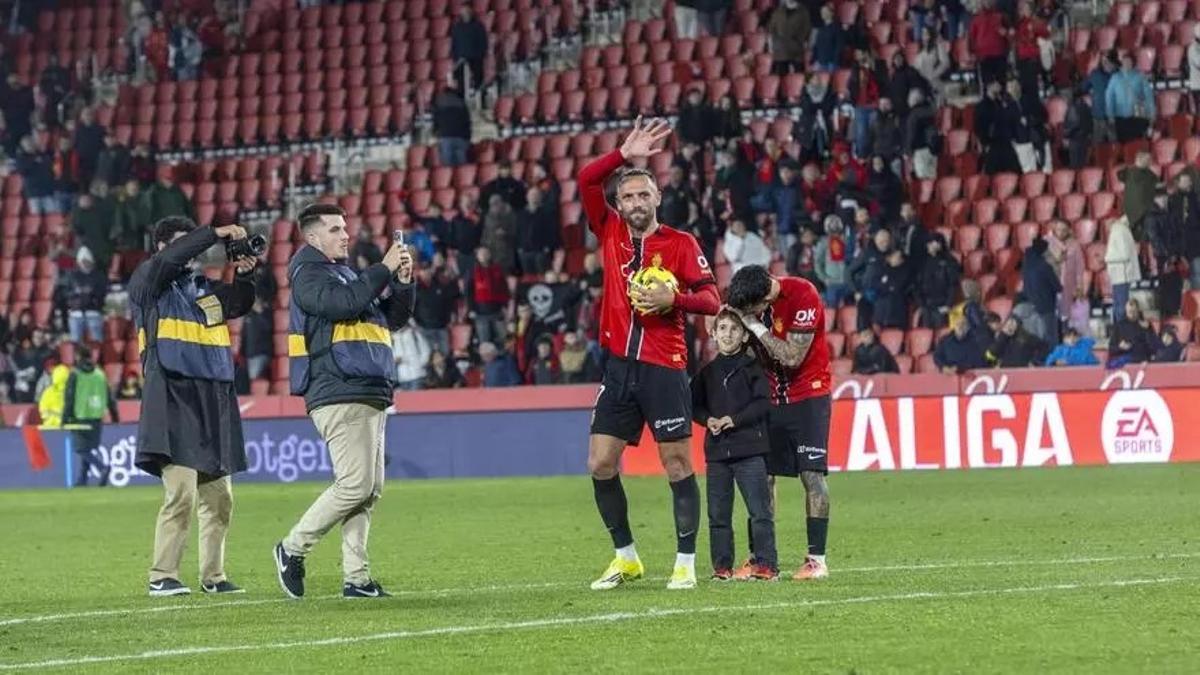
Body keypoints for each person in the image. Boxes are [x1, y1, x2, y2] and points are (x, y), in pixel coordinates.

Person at [577, 117, 720, 591]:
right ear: (617, 205)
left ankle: (684, 562)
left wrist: (672, 300)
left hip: (665, 366)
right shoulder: (610, 231)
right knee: (600, 463)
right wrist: (623, 155)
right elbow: (585, 180)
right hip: (619, 368)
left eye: (644, 195)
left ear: (657, 198)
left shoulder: (680, 244)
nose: (636, 203)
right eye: (628, 197)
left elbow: (713, 301)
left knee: (677, 463)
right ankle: (626, 558)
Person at [274, 203, 415, 600]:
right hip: (338, 387)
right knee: (355, 485)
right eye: (335, 229)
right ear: (313, 237)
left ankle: (357, 578)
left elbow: (390, 319)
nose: (345, 234)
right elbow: (343, 304)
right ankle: (292, 548)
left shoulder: (344, 274)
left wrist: (402, 283)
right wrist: (383, 269)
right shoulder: (308, 274)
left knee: (367, 490)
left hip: (366, 387)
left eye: (344, 227)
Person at [130, 217, 258, 597]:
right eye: (186, 245)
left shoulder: (204, 292)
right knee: (181, 492)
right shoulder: (149, 283)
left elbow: (240, 303)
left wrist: (246, 275)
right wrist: (212, 234)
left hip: (213, 396)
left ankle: (213, 577)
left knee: (220, 498)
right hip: (173, 393)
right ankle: (162, 574)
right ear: (163, 247)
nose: (196, 252)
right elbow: (173, 260)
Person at [726, 264, 833, 581]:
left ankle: (816, 560)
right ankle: (762, 559)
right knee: (761, 477)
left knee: (811, 475)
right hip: (769, 400)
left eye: (752, 310)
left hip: (809, 396)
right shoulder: (752, 303)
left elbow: (791, 357)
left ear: (762, 299)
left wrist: (753, 326)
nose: (750, 315)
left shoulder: (803, 294)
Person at [691, 309, 777, 581]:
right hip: (717, 454)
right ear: (713, 334)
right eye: (723, 329)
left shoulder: (753, 368)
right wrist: (709, 420)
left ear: (743, 336)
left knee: (759, 512)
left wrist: (734, 420)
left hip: (750, 451)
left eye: (734, 329)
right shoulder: (706, 373)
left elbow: (763, 403)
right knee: (718, 515)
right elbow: (694, 407)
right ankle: (722, 568)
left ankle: (766, 566)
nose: (728, 334)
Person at [62, 347, 119, 487]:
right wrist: (115, 415)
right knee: (87, 448)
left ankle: (102, 467)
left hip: (80, 416)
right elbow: (110, 396)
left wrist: (65, 417)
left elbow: (69, 397)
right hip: (96, 417)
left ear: (79, 356)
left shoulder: (75, 374)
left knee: (81, 449)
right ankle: (82, 479)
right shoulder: (100, 374)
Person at [1144, 188, 1184, 317]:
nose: (1164, 200)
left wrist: (1176, 253)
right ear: (1155, 199)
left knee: (1176, 287)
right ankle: (1166, 316)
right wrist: (1168, 255)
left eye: (1165, 197)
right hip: (1163, 258)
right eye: (1161, 197)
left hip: (1174, 256)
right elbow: (1155, 239)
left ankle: (1175, 312)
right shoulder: (1151, 216)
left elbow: (1178, 234)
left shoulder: (1171, 213)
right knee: (1165, 287)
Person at [1105, 52, 1155, 143]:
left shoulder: (1140, 76)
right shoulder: (1115, 78)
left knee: (1140, 145)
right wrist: (1110, 115)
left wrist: (1152, 115)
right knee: (1124, 145)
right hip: (1121, 118)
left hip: (1138, 116)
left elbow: (1148, 97)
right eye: (1125, 62)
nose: (1127, 64)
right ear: (1122, 63)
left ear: (1133, 63)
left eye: (1129, 62)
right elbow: (1109, 97)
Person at [1020, 238, 1061, 344]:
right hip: (1046, 305)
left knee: (1033, 336)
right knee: (1049, 336)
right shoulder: (1044, 266)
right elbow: (1057, 286)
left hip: (1030, 304)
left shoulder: (1026, 264)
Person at [65, 247, 108, 344]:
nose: (84, 263)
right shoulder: (73, 276)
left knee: (97, 342)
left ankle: (97, 358)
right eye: (82, 261)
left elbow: (102, 293)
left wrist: (90, 296)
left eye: (86, 260)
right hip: (76, 313)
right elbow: (68, 293)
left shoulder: (98, 276)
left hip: (93, 312)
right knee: (75, 342)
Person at [1104, 215, 1141, 322]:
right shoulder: (1122, 229)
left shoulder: (1118, 230)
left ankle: (1121, 330)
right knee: (1120, 304)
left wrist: (1106, 258)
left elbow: (1124, 254)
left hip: (1121, 274)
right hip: (1121, 274)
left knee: (1120, 306)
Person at [450, 6, 488, 102]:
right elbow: (454, 45)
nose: (466, 13)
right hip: (461, 61)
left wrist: (479, 55)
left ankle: (480, 102)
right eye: (463, 11)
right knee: (461, 84)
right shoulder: (457, 28)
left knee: (478, 82)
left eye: (467, 11)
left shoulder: (478, 26)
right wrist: (456, 59)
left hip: (476, 60)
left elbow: (483, 43)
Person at [432, 76, 471, 167]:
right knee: (462, 168)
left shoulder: (439, 101)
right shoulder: (461, 101)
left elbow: (435, 119)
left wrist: (435, 132)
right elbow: (467, 121)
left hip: (445, 136)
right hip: (461, 136)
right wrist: (468, 137)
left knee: (447, 167)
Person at [969, 0, 1010, 86]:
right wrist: (972, 52)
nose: (988, 2)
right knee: (987, 85)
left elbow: (1008, 35)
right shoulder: (976, 19)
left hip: (999, 54)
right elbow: (971, 37)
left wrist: (1006, 49)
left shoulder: (1001, 17)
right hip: (984, 56)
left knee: (1001, 83)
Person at [1107, 299, 1157, 367]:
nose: (1132, 314)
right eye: (1129, 312)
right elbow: (1111, 349)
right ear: (1126, 311)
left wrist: (1147, 330)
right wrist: (1120, 347)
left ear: (1138, 310)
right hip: (1125, 362)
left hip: (1143, 362)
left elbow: (1154, 347)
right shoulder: (1119, 326)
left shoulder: (1146, 325)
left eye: (1134, 311)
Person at [767, 0, 812, 75]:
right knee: (781, 77)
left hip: (797, 50)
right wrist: (772, 45)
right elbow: (772, 30)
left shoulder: (803, 12)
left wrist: (798, 41)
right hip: (781, 51)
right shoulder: (778, 11)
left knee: (799, 77)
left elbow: (806, 30)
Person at [814, 215, 850, 308]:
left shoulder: (846, 240)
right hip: (832, 283)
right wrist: (825, 278)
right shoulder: (823, 243)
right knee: (831, 311)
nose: (835, 228)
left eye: (836, 225)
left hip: (847, 281)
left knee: (849, 311)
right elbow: (818, 262)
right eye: (832, 225)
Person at [393, 319, 431, 391]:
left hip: (417, 374)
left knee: (417, 400)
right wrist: (395, 359)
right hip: (403, 376)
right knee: (407, 401)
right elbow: (391, 353)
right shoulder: (394, 338)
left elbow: (425, 350)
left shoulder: (414, 334)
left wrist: (420, 364)